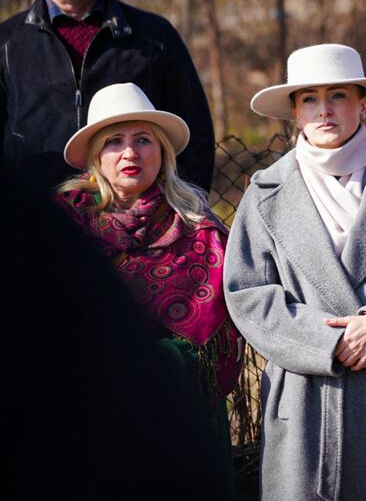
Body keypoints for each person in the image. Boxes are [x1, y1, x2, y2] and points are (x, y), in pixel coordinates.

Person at [223, 44, 366, 500]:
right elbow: (248, 296)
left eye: (339, 96)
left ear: (363, 104)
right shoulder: (264, 194)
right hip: (305, 400)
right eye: (309, 97)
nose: (324, 110)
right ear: (294, 111)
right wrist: (329, 340)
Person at [54, 82, 241, 498]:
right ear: (95, 157)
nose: (130, 153)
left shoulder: (201, 231)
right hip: (85, 424)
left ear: (163, 152)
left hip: (183, 424)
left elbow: (223, 341)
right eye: (114, 142)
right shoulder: (60, 230)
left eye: (143, 140)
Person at [0, 0, 214, 192]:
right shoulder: (8, 44)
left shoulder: (153, 36)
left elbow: (194, 134)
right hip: (35, 222)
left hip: (136, 222)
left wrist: (184, 211)